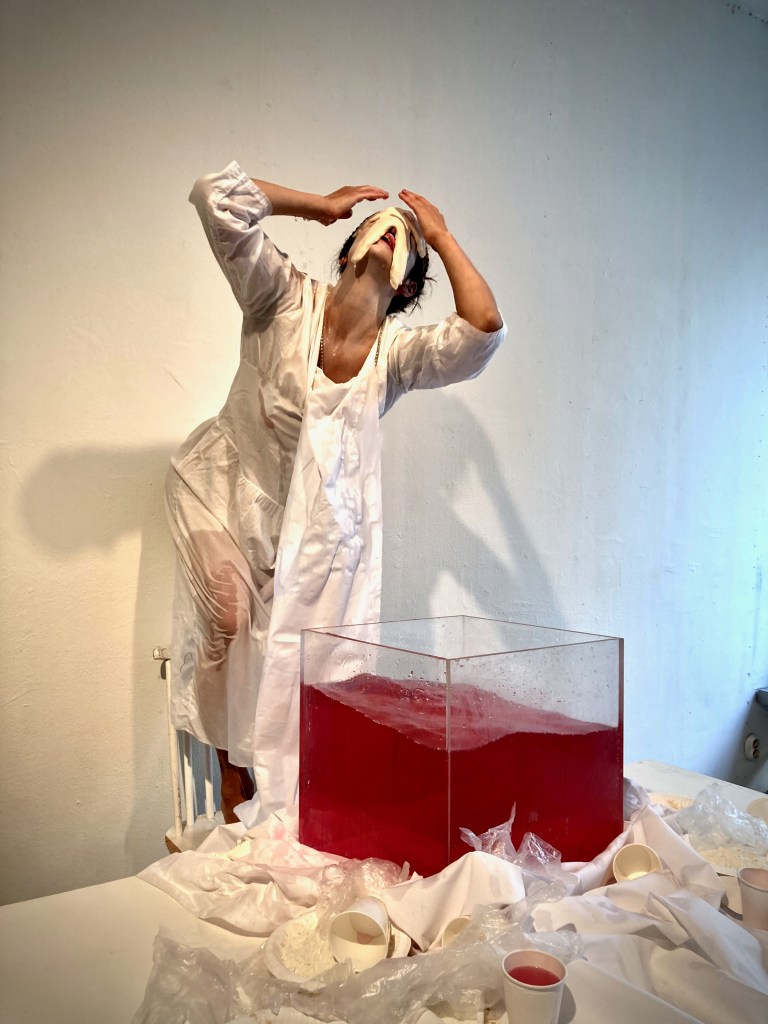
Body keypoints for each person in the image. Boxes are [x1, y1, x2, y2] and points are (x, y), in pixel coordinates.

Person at [165, 161, 506, 825]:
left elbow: (482, 329)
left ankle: (279, 783)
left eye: (405, 236)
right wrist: (317, 206)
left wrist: (440, 234)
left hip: (299, 529)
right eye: (378, 224)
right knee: (229, 624)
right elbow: (215, 195)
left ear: (409, 281)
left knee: (289, 656)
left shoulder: (395, 358)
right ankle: (232, 777)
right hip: (221, 488)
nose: (391, 228)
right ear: (350, 249)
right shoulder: (282, 298)